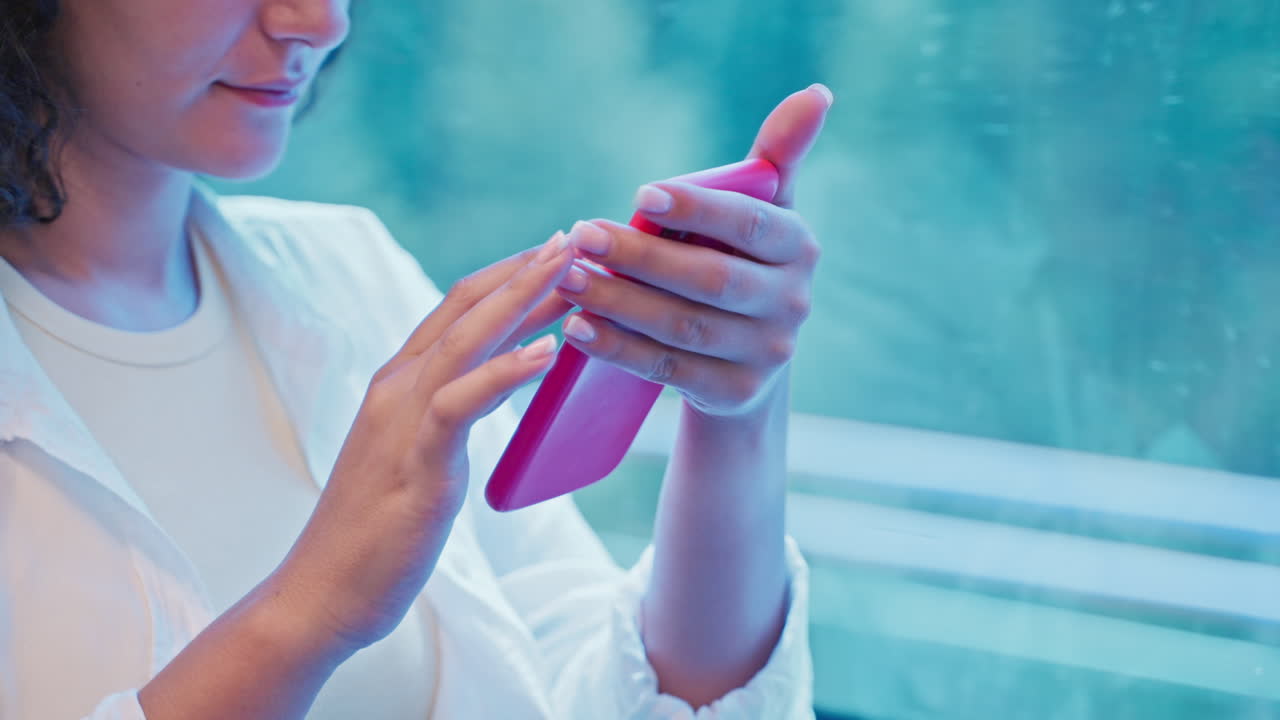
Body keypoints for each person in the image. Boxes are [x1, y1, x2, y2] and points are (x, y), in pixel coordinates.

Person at [0, 1, 832, 718]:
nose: (321, 21)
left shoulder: (352, 277)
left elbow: (605, 694)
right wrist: (313, 609)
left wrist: (734, 401)